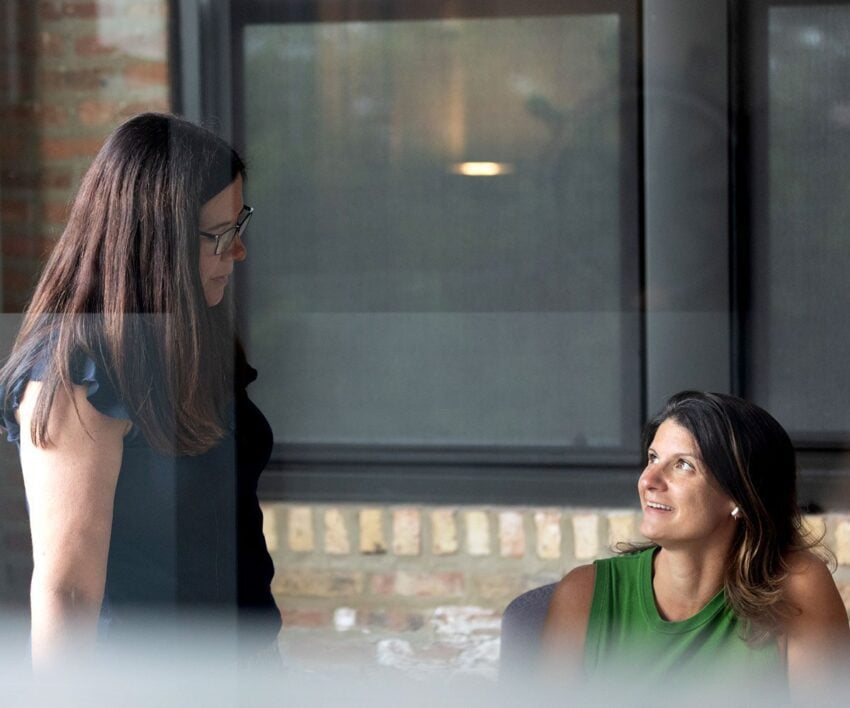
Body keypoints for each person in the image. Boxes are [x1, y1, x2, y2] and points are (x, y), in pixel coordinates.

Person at [0, 113, 280, 668]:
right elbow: (67, 593)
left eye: (239, 225)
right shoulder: (71, 373)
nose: (240, 253)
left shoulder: (193, 340)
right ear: (159, 242)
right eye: (221, 236)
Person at [541, 391, 850, 700]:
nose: (648, 480)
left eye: (683, 465)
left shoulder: (796, 588)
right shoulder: (583, 596)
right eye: (653, 458)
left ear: (740, 495)